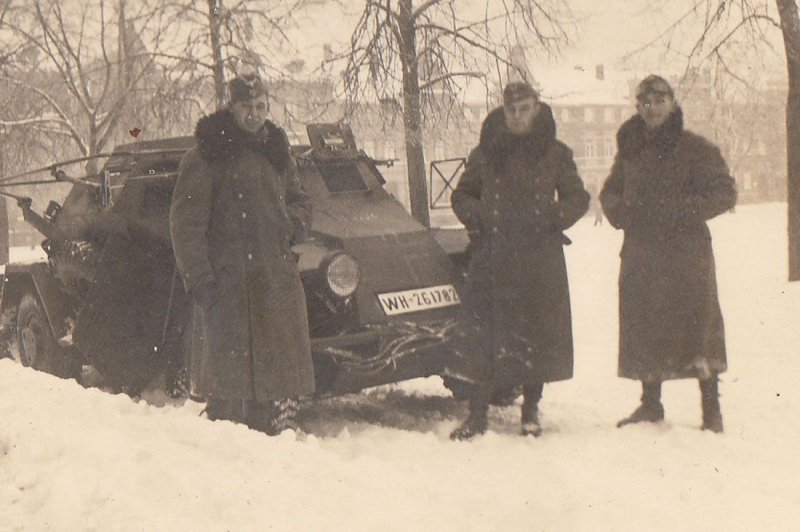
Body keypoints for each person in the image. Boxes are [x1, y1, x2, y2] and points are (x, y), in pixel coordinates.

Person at [170, 73, 314, 435]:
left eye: (261, 106)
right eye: (246, 106)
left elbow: (299, 200)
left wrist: (290, 227)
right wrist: (200, 279)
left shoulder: (278, 153)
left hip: (273, 279)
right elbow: (186, 225)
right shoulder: (206, 156)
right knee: (228, 395)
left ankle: (273, 437)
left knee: (276, 382)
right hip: (227, 285)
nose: (254, 114)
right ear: (231, 108)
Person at [446, 80, 590, 440]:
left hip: (538, 258)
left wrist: (551, 218)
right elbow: (462, 196)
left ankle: (530, 411)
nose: (517, 116)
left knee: (535, 336)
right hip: (493, 257)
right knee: (484, 336)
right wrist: (481, 216)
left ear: (537, 109)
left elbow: (578, 198)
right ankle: (476, 415)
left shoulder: (556, 153)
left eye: (524, 109)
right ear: (503, 111)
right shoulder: (486, 152)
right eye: (511, 110)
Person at [600, 75, 737, 433]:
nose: (653, 108)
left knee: (698, 328)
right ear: (638, 107)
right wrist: (624, 213)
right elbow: (610, 193)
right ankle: (651, 403)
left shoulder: (696, 148)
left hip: (686, 255)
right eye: (645, 102)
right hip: (643, 254)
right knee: (646, 324)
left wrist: (682, 211)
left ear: (672, 104)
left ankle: (711, 410)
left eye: (660, 101)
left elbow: (725, 192)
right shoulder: (630, 150)